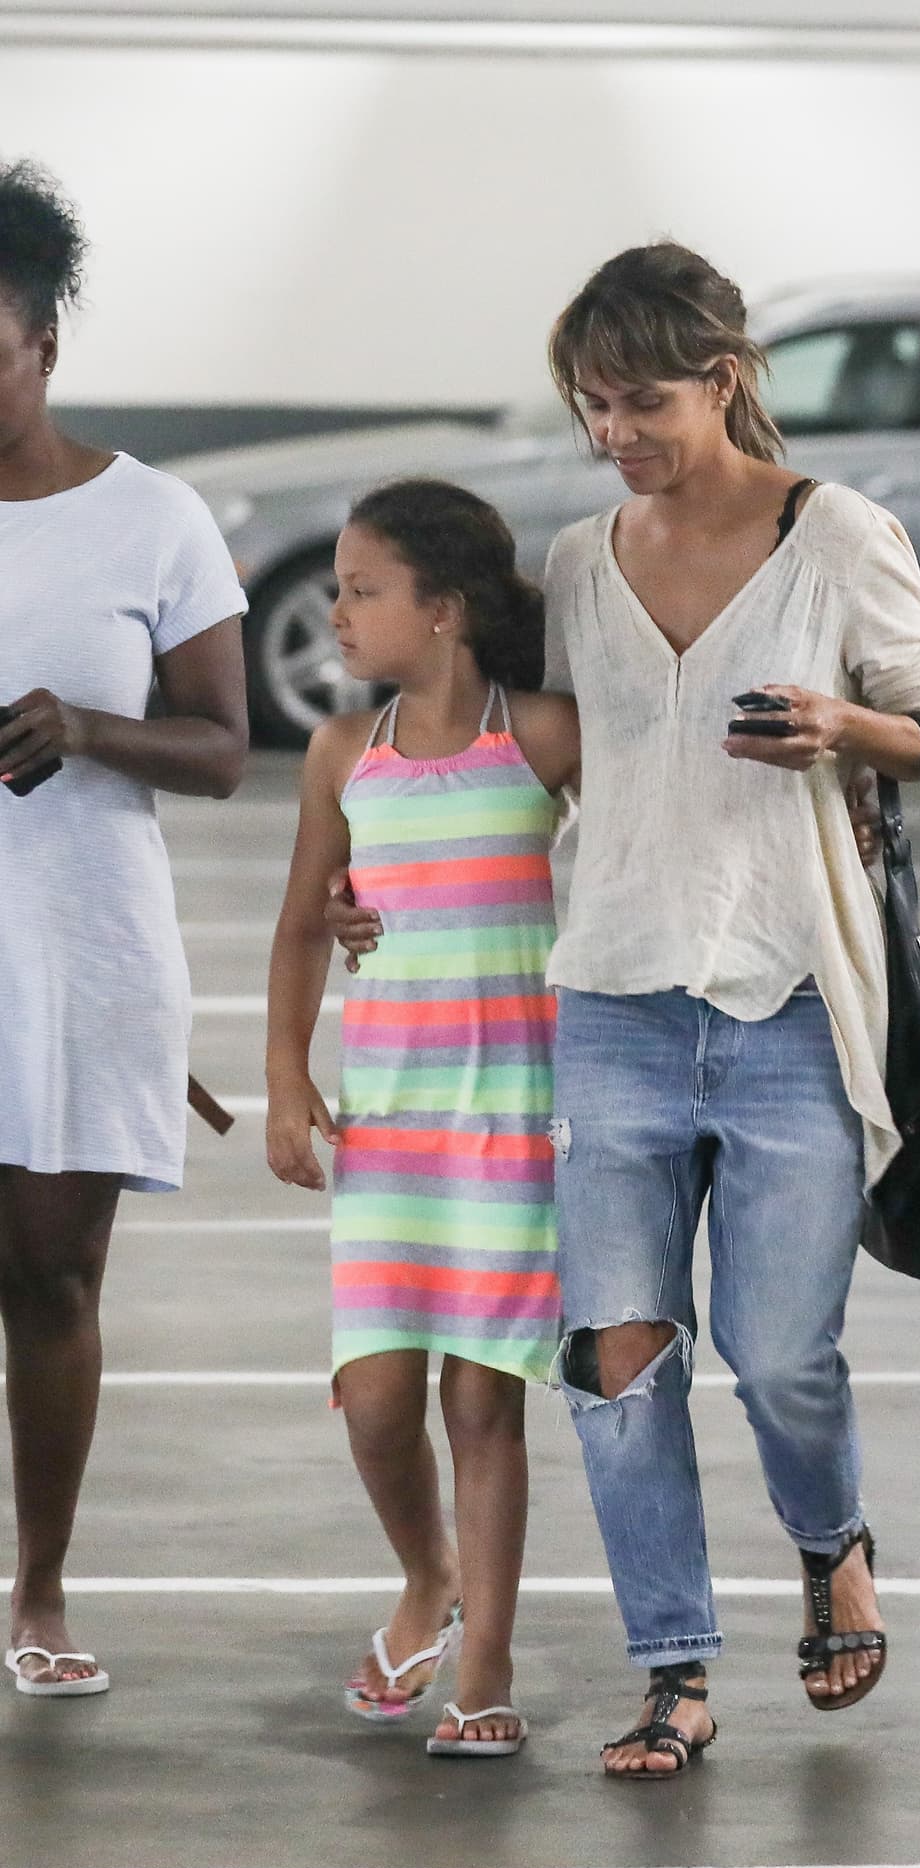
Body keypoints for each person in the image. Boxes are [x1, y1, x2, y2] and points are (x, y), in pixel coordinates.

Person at [330, 242, 920, 1779]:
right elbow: (500, 748)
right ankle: (673, 1666)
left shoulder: (838, 538)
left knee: (778, 1344)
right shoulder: (572, 561)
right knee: (617, 1360)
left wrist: (844, 724)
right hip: (609, 999)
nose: (614, 428)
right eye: (591, 403)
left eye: (641, 398)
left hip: (791, 997)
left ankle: (832, 1541)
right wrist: (383, 898)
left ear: (725, 376)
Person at [266, 479, 578, 1755]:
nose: (335, 611)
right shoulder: (346, 753)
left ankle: (486, 1666)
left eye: (360, 587)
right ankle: (425, 1576)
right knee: (381, 1397)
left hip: (511, 1116)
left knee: (482, 1403)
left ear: (443, 610)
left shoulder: (549, 738)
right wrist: (288, 1079)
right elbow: (300, 923)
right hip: (387, 1124)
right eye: (339, 586)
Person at [0, 161, 249, 1698]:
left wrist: (88, 725)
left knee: (52, 1280)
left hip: (80, 950)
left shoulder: (152, 515)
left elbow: (223, 746)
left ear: (44, 344)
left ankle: (39, 1590)